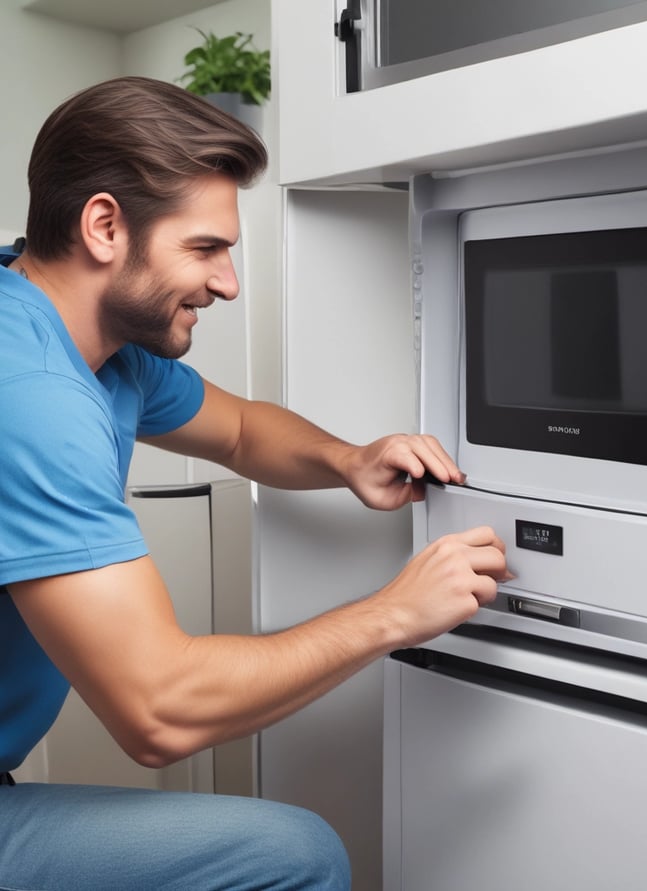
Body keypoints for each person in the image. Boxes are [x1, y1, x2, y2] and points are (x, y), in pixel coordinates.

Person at [0, 76, 510, 891]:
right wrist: (392, 613)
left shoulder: (86, 338)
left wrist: (349, 459)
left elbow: (239, 430)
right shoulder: (28, 392)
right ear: (103, 226)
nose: (229, 282)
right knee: (294, 855)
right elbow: (157, 710)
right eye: (205, 249)